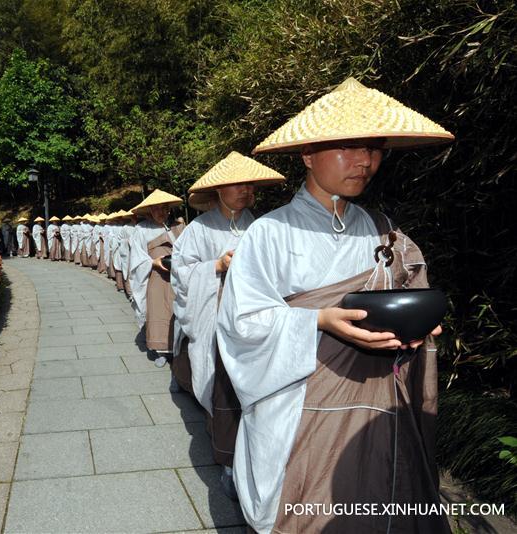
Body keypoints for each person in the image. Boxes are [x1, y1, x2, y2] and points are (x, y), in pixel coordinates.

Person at [216, 78, 454, 533]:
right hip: (304, 403)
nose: (365, 161)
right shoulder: (271, 232)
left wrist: (422, 322)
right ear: (307, 155)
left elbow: (413, 284)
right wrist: (319, 319)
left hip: (380, 399)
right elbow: (241, 324)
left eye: (374, 148)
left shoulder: (383, 229)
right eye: (348, 147)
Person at [170, 152, 286, 495]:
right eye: (236, 183)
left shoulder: (263, 226)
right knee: (222, 388)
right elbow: (182, 272)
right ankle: (229, 462)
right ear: (219, 190)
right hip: (217, 317)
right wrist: (216, 267)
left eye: (249, 183)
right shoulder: (199, 229)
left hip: (257, 321)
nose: (244, 190)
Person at [128, 190, 185, 368]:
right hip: (155, 276)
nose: (161, 212)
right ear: (150, 210)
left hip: (177, 276)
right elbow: (136, 256)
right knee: (158, 310)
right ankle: (160, 350)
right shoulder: (142, 229)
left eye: (164, 208)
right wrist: (153, 262)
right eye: (157, 209)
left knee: (176, 312)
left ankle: (177, 348)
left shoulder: (177, 227)